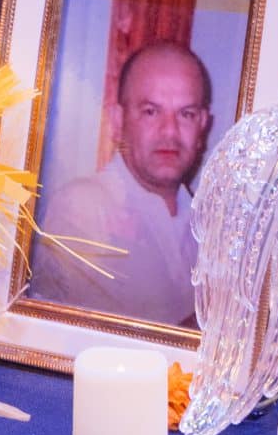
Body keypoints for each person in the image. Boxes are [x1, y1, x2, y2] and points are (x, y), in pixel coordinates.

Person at [30, 42, 216, 328]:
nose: (170, 131)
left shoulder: (209, 225)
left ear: (202, 125)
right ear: (118, 121)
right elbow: (117, 336)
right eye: (151, 111)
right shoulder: (82, 207)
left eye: (186, 114)